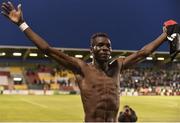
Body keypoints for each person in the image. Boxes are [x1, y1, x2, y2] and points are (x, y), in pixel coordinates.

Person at [1, 1, 178, 122]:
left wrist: (165, 35)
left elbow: (142, 53)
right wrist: (22, 24)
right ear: (91, 50)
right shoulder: (81, 68)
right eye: (100, 46)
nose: (105, 49)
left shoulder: (118, 65)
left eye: (108, 46)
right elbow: (47, 49)